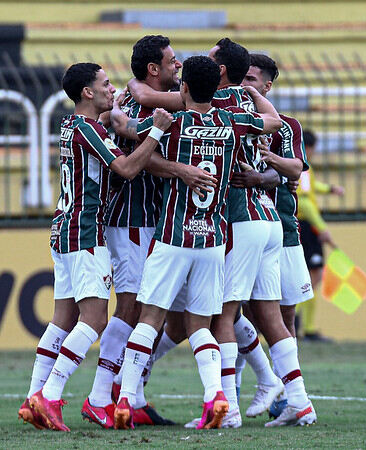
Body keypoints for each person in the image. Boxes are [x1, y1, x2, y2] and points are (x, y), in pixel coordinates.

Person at [109, 55, 283, 430]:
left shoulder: (174, 123)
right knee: (201, 327)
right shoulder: (231, 120)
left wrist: (124, 105)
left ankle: (123, 399)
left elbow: (124, 127)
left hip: (173, 235)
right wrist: (252, 92)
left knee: (150, 318)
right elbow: (273, 121)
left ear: (183, 88)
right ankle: (215, 397)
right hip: (213, 240)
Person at [17, 62, 174, 432]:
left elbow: (105, 143)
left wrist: (113, 114)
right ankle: (49, 395)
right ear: (87, 92)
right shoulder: (87, 129)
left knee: (63, 319)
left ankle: (33, 396)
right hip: (85, 231)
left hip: (64, 228)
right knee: (95, 319)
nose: (112, 89)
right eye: (105, 85)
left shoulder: (73, 125)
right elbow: (126, 169)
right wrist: (157, 133)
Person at [81, 34, 181, 429]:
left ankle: (132, 393)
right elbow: (143, 153)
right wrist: (181, 169)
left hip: (154, 219)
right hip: (131, 220)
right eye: (172, 62)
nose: (178, 67)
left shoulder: (153, 99)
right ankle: (101, 395)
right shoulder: (133, 105)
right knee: (131, 307)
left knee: (155, 310)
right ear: (153, 68)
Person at [235, 53, 317, 423]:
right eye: (242, 77)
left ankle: (285, 392)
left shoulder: (285, 126)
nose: (245, 84)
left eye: (252, 79)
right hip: (247, 227)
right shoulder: (236, 119)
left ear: (267, 86)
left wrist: (270, 167)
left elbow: (295, 169)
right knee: (241, 313)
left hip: (282, 229)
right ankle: (248, 389)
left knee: (282, 317)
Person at [295, 130, 344, 342]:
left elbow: (310, 189)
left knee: (308, 278)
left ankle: (302, 326)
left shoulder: (293, 164)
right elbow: (304, 201)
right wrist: (322, 229)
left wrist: (330, 189)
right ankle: (302, 325)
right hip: (307, 226)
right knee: (312, 277)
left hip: (299, 226)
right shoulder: (302, 166)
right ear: (309, 147)